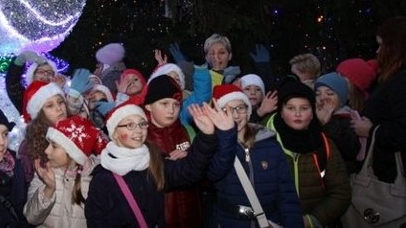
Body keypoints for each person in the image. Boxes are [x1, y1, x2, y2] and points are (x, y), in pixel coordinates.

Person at [85, 102, 237, 227]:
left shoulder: (153, 164)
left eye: (142, 124)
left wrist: (205, 135)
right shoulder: (103, 179)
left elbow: (190, 171)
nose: (138, 130)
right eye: (130, 125)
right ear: (115, 133)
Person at [210, 84, 303, 227]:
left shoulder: (270, 145)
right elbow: (212, 175)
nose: (234, 115)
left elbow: (287, 194)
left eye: (240, 108)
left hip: (269, 221)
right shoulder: (213, 147)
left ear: (248, 112)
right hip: (230, 222)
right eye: (225, 110)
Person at [265, 80, 351, 227]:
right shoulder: (262, 140)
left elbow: (340, 191)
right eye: (291, 108)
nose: (297, 114)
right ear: (281, 111)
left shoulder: (323, 144)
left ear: (312, 112)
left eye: (304, 108)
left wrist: (313, 220)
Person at [351, 16, 406, 183]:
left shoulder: (401, 81)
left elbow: (402, 132)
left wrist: (371, 130)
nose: (377, 51)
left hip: (393, 179)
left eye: (381, 45)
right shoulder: (394, 78)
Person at [24, 116, 106, 227]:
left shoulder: (96, 179)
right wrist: (49, 189)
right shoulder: (44, 174)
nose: (46, 150)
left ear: (72, 152)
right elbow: (31, 218)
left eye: (54, 146)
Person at [143, 74, 204, 226]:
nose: (171, 110)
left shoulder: (187, 131)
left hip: (192, 217)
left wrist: (191, 157)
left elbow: (207, 177)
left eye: (176, 104)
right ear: (149, 105)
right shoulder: (141, 136)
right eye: (164, 103)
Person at [180, 33, 240, 128]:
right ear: (206, 58)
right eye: (212, 53)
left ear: (230, 55)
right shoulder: (196, 81)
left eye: (221, 52)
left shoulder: (240, 80)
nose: (216, 57)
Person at [19, 81, 68, 184]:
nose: (59, 108)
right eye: (50, 106)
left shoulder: (77, 131)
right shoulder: (28, 147)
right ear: (39, 114)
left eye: (60, 102)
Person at [314, 72, 361, 174]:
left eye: (329, 93)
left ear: (341, 99)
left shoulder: (349, 120)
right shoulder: (313, 119)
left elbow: (351, 151)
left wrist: (327, 124)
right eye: (318, 94)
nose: (323, 98)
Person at [5, 50, 63, 114]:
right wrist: (20, 60)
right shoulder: (24, 96)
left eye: (49, 73)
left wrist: (59, 92)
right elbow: (12, 82)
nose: (46, 75)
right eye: (41, 72)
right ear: (33, 75)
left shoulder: (60, 94)